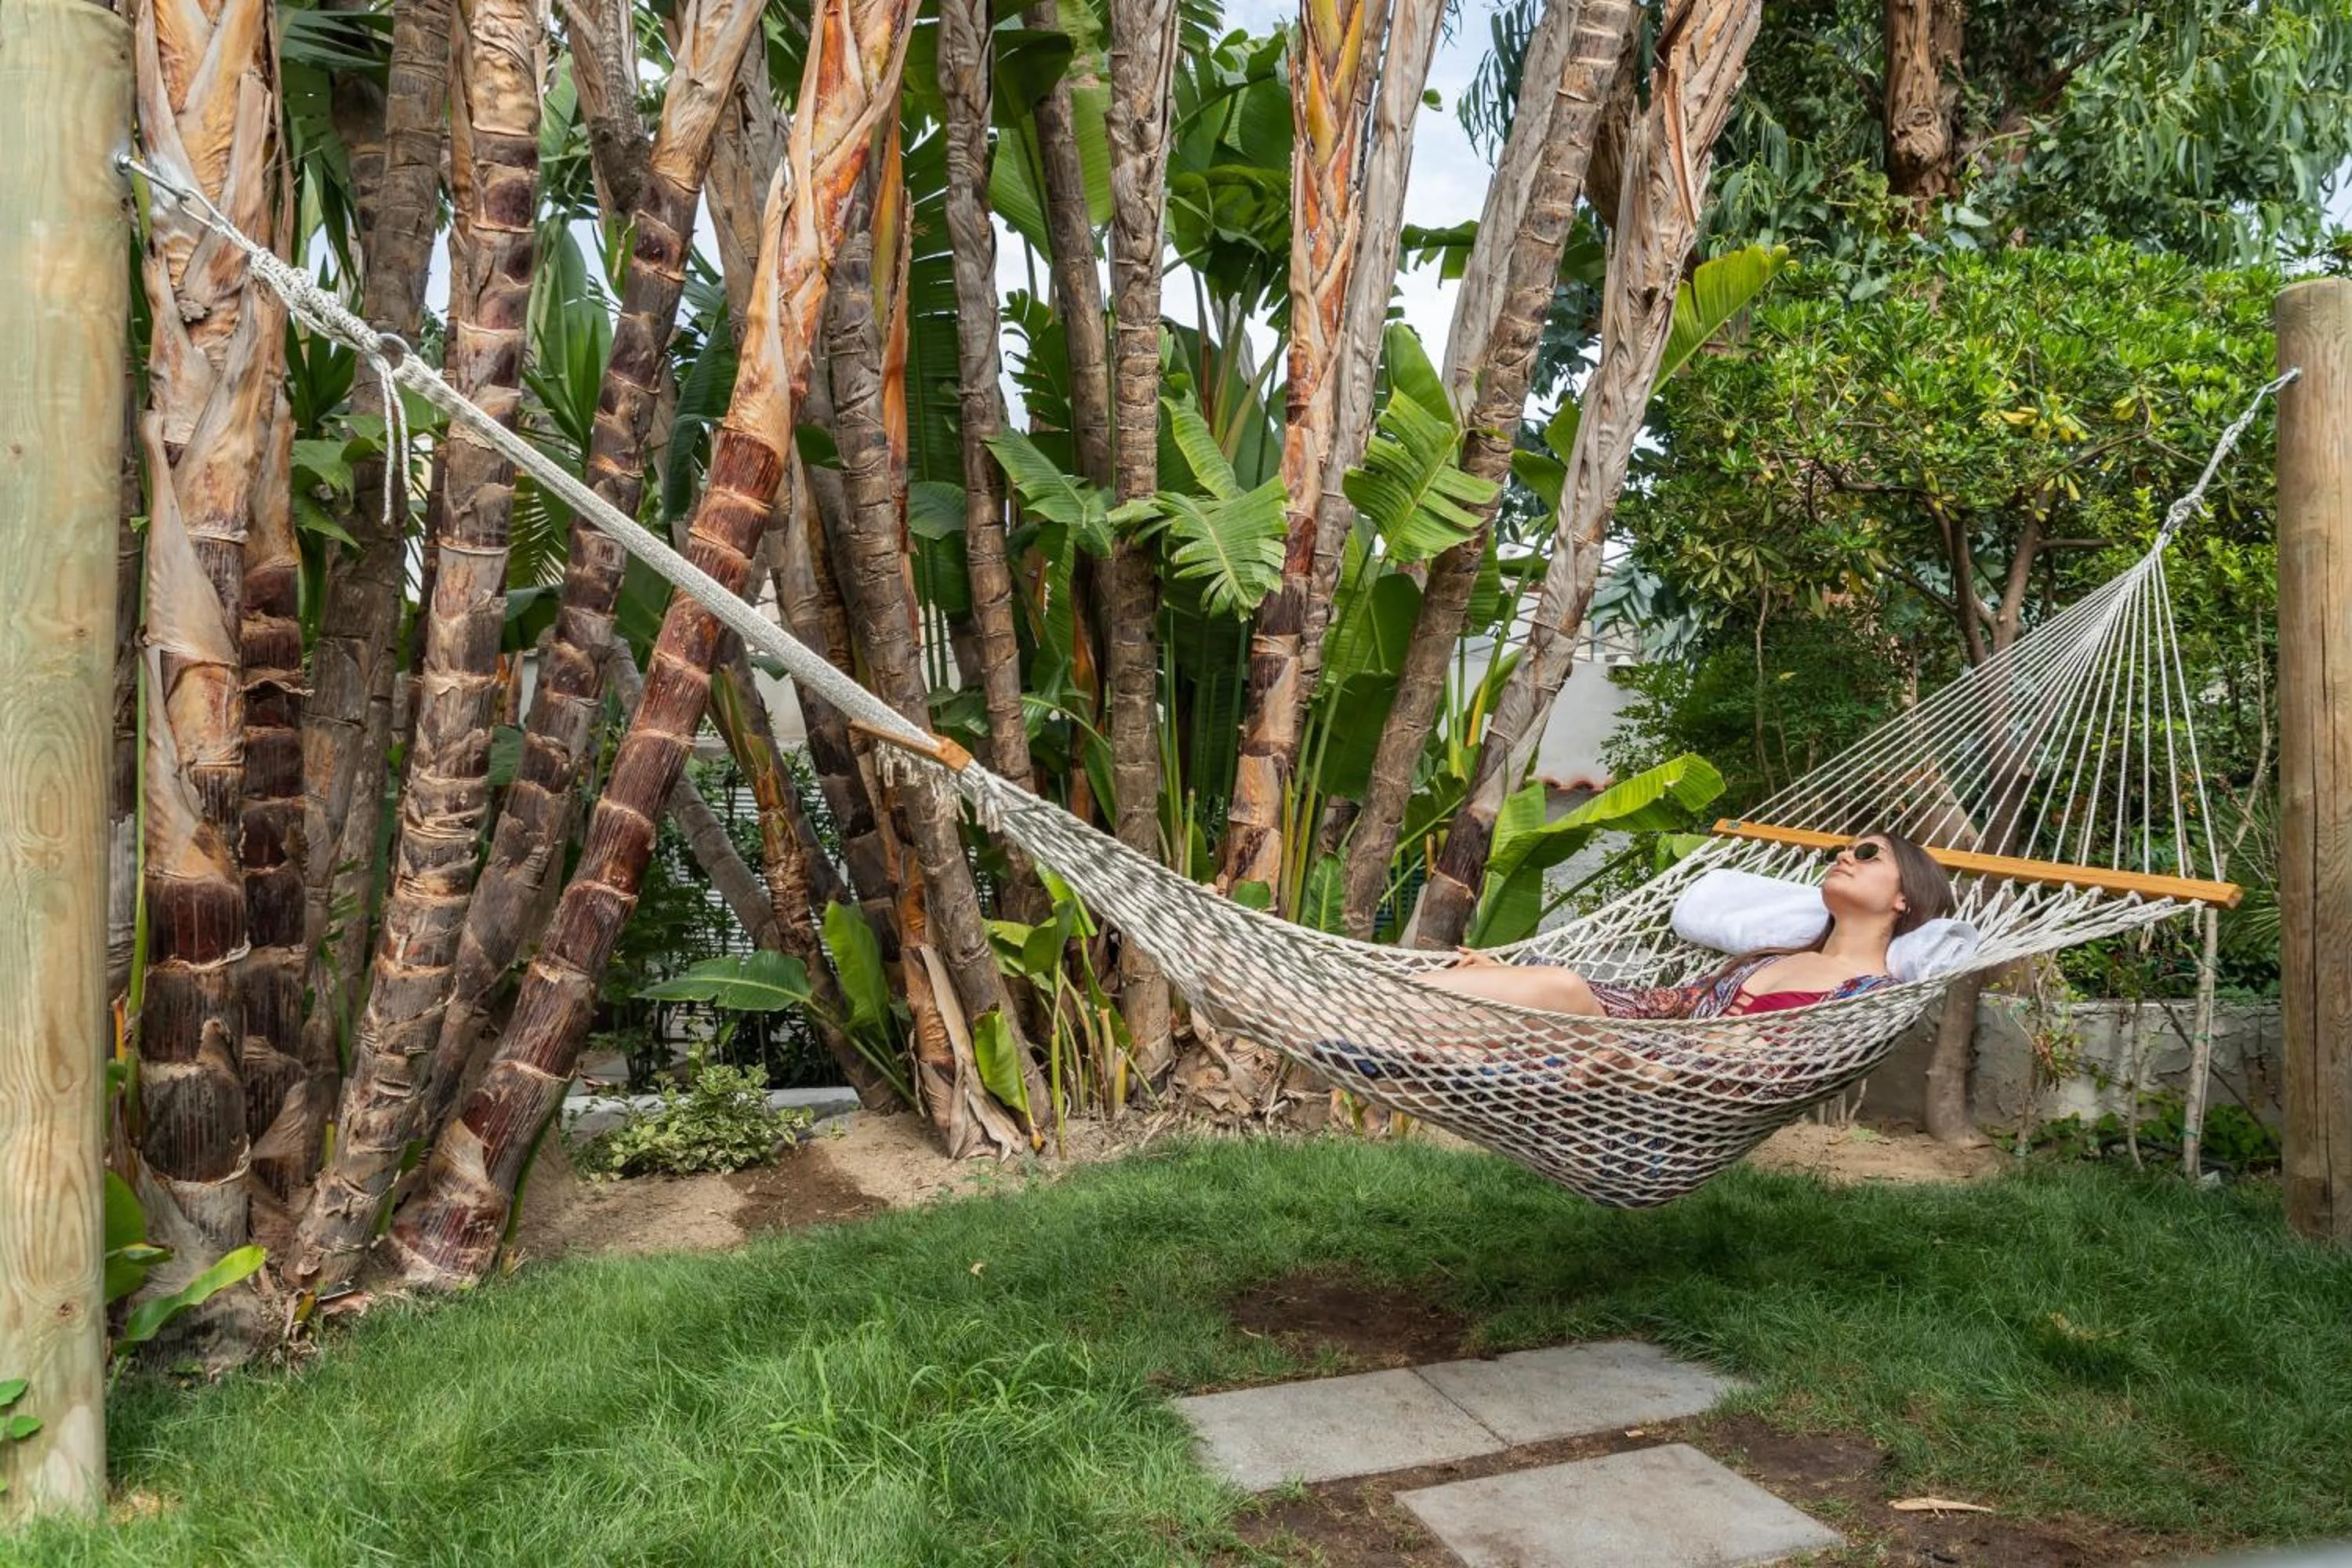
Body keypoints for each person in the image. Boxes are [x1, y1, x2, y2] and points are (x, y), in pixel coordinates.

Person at [1418, 832, 1955, 1021]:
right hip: (1632, 1056)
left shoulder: (1867, 995)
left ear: (1904, 898)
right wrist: (1514, 975)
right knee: (1553, 986)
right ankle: (1371, 1018)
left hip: (1670, 1090)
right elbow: (1663, 1005)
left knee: (1558, 987)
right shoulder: (1773, 959)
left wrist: (1659, 1072)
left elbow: (1782, 1069)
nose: (1846, 856)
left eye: (1868, 854)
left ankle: (1369, 1012)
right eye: (1844, 848)